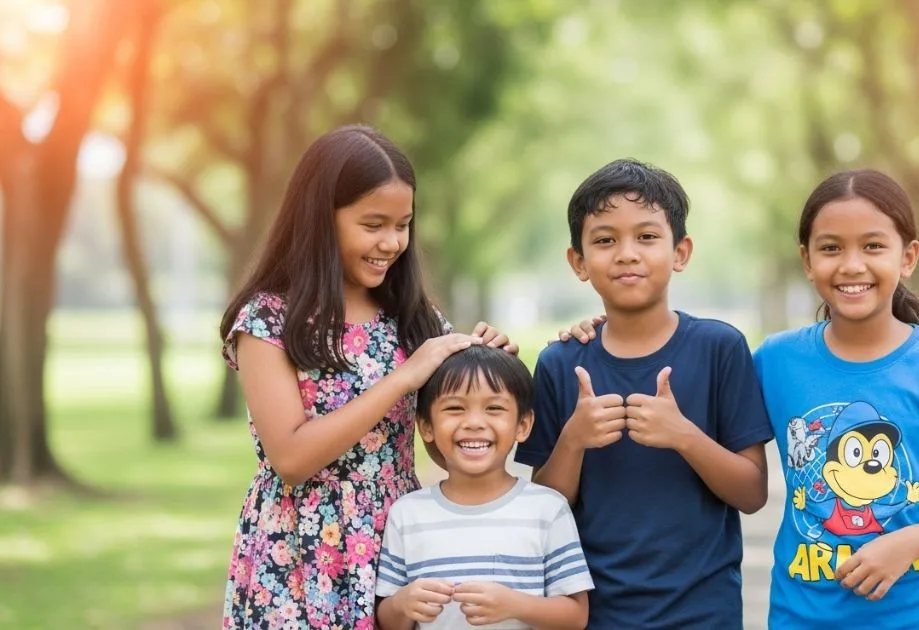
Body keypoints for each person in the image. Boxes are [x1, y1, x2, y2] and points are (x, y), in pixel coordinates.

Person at [218, 124, 517, 629]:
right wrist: (403, 379)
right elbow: (290, 458)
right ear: (320, 218)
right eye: (373, 224)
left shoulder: (414, 318)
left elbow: (450, 447)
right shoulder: (268, 321)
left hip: (398, 543)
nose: (392, 242)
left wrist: (485, 375)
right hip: (297, 556)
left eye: (403, 225)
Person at [515, 158, 775, 629]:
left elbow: (752, 492)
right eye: (605, 240)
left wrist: (684, 436)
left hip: (704, 612)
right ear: (578, 261)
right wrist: (573, 440)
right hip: (594, 612)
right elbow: (545, 508)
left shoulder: (719, 348)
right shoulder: (560, 364)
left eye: (647, 237)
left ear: (681, 251)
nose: (627, 253)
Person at [753, 169, 919, 628]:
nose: (852, 264)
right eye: (831, 247)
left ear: (908, 256)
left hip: (918, 618)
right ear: (807, 259)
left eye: (873, 246)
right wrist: (595, 335)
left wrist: (909, 542)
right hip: (801, 618)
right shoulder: (776, 361)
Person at [375, 345, 593, 629]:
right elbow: (387, 620)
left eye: (494, 408)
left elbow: (576, 616)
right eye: (455, 408)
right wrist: (403, 603)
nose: (474, 423)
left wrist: (516, 605)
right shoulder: (407, 514)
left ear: (523, 425)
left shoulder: (548, 509)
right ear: (426, 426)